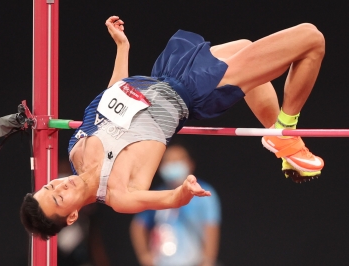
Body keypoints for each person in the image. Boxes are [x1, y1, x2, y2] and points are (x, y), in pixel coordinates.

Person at [20, 15, 325, 240]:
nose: (60, 186)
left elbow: (113, 95)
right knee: (311, 40)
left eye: (50, 187)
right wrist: (185, 191)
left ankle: (284, 144)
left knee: (245, 46)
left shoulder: (77, 150)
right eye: (58, 198)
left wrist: (122, 48)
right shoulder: (119, 194)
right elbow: (170, 198)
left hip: (169, 73)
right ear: (72, 215)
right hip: (195, 91)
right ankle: (286, 131)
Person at [130, 144, 221, 266]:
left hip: (193, 262)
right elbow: (138, 226)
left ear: (190, 163)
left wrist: (208, 261)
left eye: (178, 160)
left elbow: (211, 228)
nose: (173, 164)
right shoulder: (157, 194)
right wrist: (145, 256)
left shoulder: (204, 193)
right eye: (168, 161)